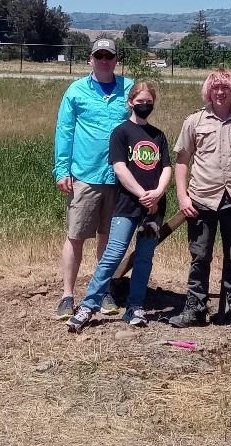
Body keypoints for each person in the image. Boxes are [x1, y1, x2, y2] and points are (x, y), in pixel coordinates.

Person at [67, 81, 172, 333]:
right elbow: (120, 168)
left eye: (149, 102)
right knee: (113, 254)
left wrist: (157, 193)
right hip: (127, 204)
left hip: (154, 208)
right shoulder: (121, 132)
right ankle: (88, 305)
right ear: (130, 102)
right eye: (140, 102)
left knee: (144, 257)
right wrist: (141, 194)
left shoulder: (158, 135)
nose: (144, 106)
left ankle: (135, 307)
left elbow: (166, 167)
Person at [171, 70, 231, 331]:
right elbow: (182, 161)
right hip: (202, 198)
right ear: (208, 92)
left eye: (225, 88)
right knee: (200, 257)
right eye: (215, 88)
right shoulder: (194, 121)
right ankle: (195, 309)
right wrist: (182, 197)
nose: (220, 92)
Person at [53, 39, 133, 320]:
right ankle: (67, 295)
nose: (104, 60)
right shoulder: (76, 91)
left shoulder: (129, 89)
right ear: (91, 59)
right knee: (76, 236)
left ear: (116, 60)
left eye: (109, 56)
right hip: (85, 175)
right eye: (99, 55)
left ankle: (104, 290)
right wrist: (62, 170)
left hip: (120, 177)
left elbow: (140, 129)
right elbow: (64, 130)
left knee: (108, 238)